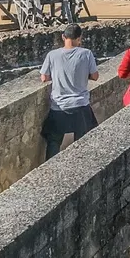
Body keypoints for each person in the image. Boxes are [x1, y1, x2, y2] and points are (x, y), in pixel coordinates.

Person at [40, 23, 100, 160]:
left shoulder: (52, 55)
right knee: (82, 142)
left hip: (59, 105)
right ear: (79, 39)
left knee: (54, 140)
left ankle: (50, 168)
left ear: (63, 37)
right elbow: (95, 76)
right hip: (80, 105)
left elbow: (44, 78)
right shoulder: (86, 53)